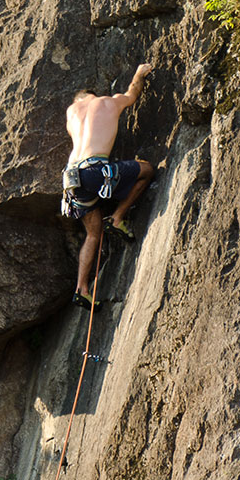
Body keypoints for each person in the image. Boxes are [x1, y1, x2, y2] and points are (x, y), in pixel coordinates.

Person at [62, 64, 156, 309]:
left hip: (71, 180)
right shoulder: (107, 102)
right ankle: (117, 218)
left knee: (93, 233)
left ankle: (81, 289)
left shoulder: (71, 113)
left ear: (78, 100)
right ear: (93, 95)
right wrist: (138, 74)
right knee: (146, 171)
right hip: (96, 171)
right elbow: (132, 94)